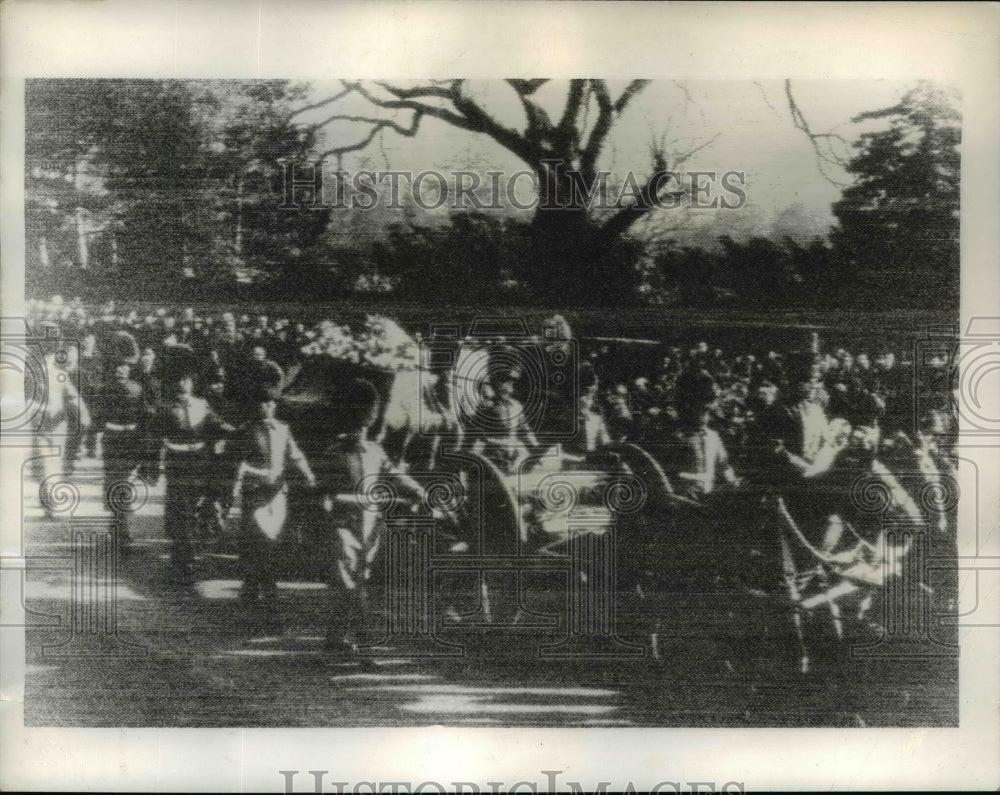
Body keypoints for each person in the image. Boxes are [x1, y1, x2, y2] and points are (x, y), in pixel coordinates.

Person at [317, 378, 434, 660]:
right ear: (350, 424)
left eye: (364, 426)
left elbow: (396, 475)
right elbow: (321, 494)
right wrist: (327, 504)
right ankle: (365, 645)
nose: (361, 431)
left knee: (357, 585)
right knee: (350, 586)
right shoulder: (333, 454)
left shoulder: (376, 452)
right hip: (342, 528)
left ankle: (334, 642)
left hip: (370, 528)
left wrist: (418, 492)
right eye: (357, 426)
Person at [232, 383, 317, 628]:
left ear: (275, 406)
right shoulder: (247, 430)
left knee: (272, 542)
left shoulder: (283, 429)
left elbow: (295, 454)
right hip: (255, 494)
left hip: (277, 493)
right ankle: (251, 589)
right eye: (263, 403)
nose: (267, 407)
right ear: (257, 406)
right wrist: (236, 487)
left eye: (271, 403)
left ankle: (268, 596)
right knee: (254, 540)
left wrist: (308, 475)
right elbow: (237, 462)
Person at [149, 353, 235, 585]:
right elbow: (155, 438)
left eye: (187, 380)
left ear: (192, 383)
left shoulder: (202, 405)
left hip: (201, 463)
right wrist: (154, 465)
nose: (183, 384)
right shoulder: (165, 409)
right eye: (179, 380)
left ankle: (184, 551)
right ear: (174, 383)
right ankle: (184, 559)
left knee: (195, 510)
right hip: (178, 464)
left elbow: (217, 425)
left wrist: (237, 432)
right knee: (181, 510)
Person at [99, 362, 149, 551]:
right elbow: (145, 416)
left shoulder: (104, 388)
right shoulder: (137, 388)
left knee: (113, 481)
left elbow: (97, 416)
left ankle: (117, 525)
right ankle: (121, 527)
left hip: (112, 439)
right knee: (124, 482)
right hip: (130, 439)